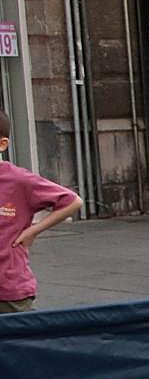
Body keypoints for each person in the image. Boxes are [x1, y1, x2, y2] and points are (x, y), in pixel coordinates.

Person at [0, 110, 83, 313]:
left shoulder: (19, 180)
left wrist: (33, 230)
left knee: (19, 333)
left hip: (9, 288)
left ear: (2, 144)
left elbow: (72, 201)